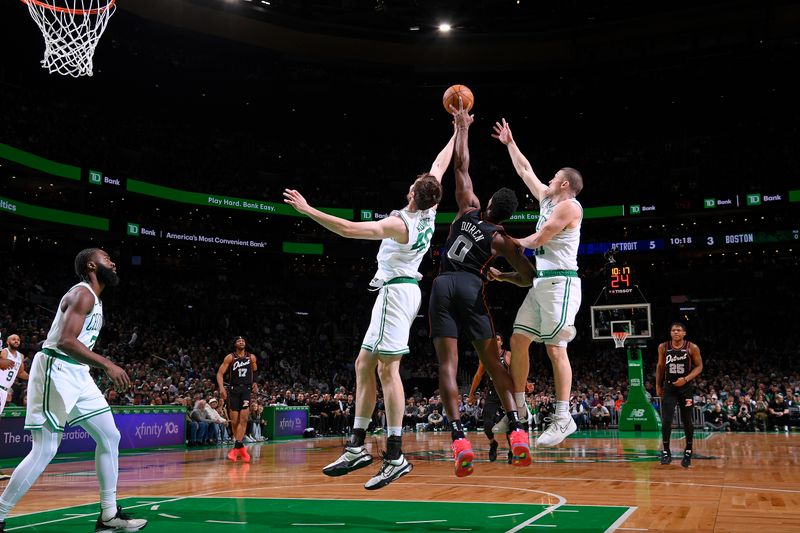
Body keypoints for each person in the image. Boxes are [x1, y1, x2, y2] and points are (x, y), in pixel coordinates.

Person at [283, 125, 456, 490]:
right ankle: (357, 446)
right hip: (399, 292)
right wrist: (458, 128)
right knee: (365, 364)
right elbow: (440, 164)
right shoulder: (430, 208)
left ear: (412, 192)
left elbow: (346, 229)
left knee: (387, 371)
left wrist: (307, 209)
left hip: (396, 293)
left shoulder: (399, 223)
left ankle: (394, 454)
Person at [0, 248, 146, 533]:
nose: (113, 262)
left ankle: (108, 515)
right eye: (107, 259)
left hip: (78, 372)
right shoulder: (82, 294)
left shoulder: (96, 299)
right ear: (92, 265)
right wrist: (107, 364)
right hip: (56, 367)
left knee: (109, 436)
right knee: (45, 449)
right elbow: (66, 340)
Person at [429, 101, 535, 478]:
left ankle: (459, 439)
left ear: (489, 203)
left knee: (448, 365)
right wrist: (504, 278)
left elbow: (460, 167)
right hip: (474, 289)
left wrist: (463, 128)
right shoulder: (502, 239)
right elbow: (528, 276)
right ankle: (518, 432)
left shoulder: (468, 208)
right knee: (492, 364)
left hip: (443, 286)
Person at [489, 118, 584, 448]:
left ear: (564, 185)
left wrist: (511, 242)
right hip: (541, 283)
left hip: (562, 283)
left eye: (554, 178)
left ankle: (563, 416)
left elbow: (542, 236)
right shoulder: (547, 199)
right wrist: (509, 144)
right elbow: (525, 170)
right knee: (517, 340)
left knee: (556, 349)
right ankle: (519, 409)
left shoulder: (570, 207)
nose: (548, 179)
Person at [656, 322, 703, 468]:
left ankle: (688, 450)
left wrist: (686, 379)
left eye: (678, 330)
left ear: (684, 333)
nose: (675, 332)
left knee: (687, 419)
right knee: (667, 419)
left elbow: (699, 366)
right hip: (669, 387)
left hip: (685, 387)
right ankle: (666, 451)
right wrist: (658, 384)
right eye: (673, 330)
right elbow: (660, 366)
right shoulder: (663, 347)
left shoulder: (692, 347)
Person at [467, 334, 511, 462]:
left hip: (507, 392)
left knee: (511, 423)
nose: (495, 341)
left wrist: (525, 384)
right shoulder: (485, 357)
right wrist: (471, 394)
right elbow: (478, 376)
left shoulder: (508, 354)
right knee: (487, 424)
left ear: (501, 342)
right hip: (492, 392)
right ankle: (493, 443)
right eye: (493, 339)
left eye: (497, 339)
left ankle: (511, 449)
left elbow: (516, 373)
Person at [217, 336, 258, 462]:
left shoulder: (251, 357)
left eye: (243, 341)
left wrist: (255, 382)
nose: (241, 342)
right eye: (239, 341)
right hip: (233, 390)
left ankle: (236, 448)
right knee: (234, 421)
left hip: (246, 390)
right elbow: (219, 373)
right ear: (235, 344)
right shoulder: (230, 357)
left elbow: (255, 371)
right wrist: (222, 388)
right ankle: (241, 447)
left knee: (244, 418)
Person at [0, 334, 29, 481]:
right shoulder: (3, 352)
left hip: (5, 392)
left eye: (18, 339)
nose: (16, 341)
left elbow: (20, 373)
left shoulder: (21, 356)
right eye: (13, 339)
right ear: (7, 341)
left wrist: (34, 377)